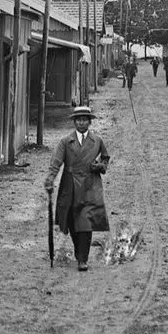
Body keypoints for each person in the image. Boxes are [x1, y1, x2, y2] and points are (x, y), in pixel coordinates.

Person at [44, 105, 111, 272]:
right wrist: (50, 179)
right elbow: (56, 163)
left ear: (89, 122)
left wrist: (100, 166)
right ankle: (78, 250)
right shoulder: (66, 142)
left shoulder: (97, 141)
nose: (81, 123)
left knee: (86, 222)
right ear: (74, 122)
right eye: (78, 120)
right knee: (73, 221)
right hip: (70, 184)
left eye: (84, 120)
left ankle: (83, 259)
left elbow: (105, 158)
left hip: (90, 184)